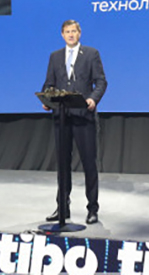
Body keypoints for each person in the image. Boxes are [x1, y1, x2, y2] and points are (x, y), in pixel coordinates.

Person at [43, 20, 107, 225]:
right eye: (67, 32)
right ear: (62, 35)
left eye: (74, 31)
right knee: (63, 164)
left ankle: (92, 209)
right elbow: (49, 83)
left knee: (89, 163)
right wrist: (47, 99)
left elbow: (101, 81)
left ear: (79, 34)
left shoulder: (91, 54)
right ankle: (62, 207)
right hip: (61, 118)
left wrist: (93, 99)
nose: (71, 34)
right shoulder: (54, 56)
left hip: (83, 116)